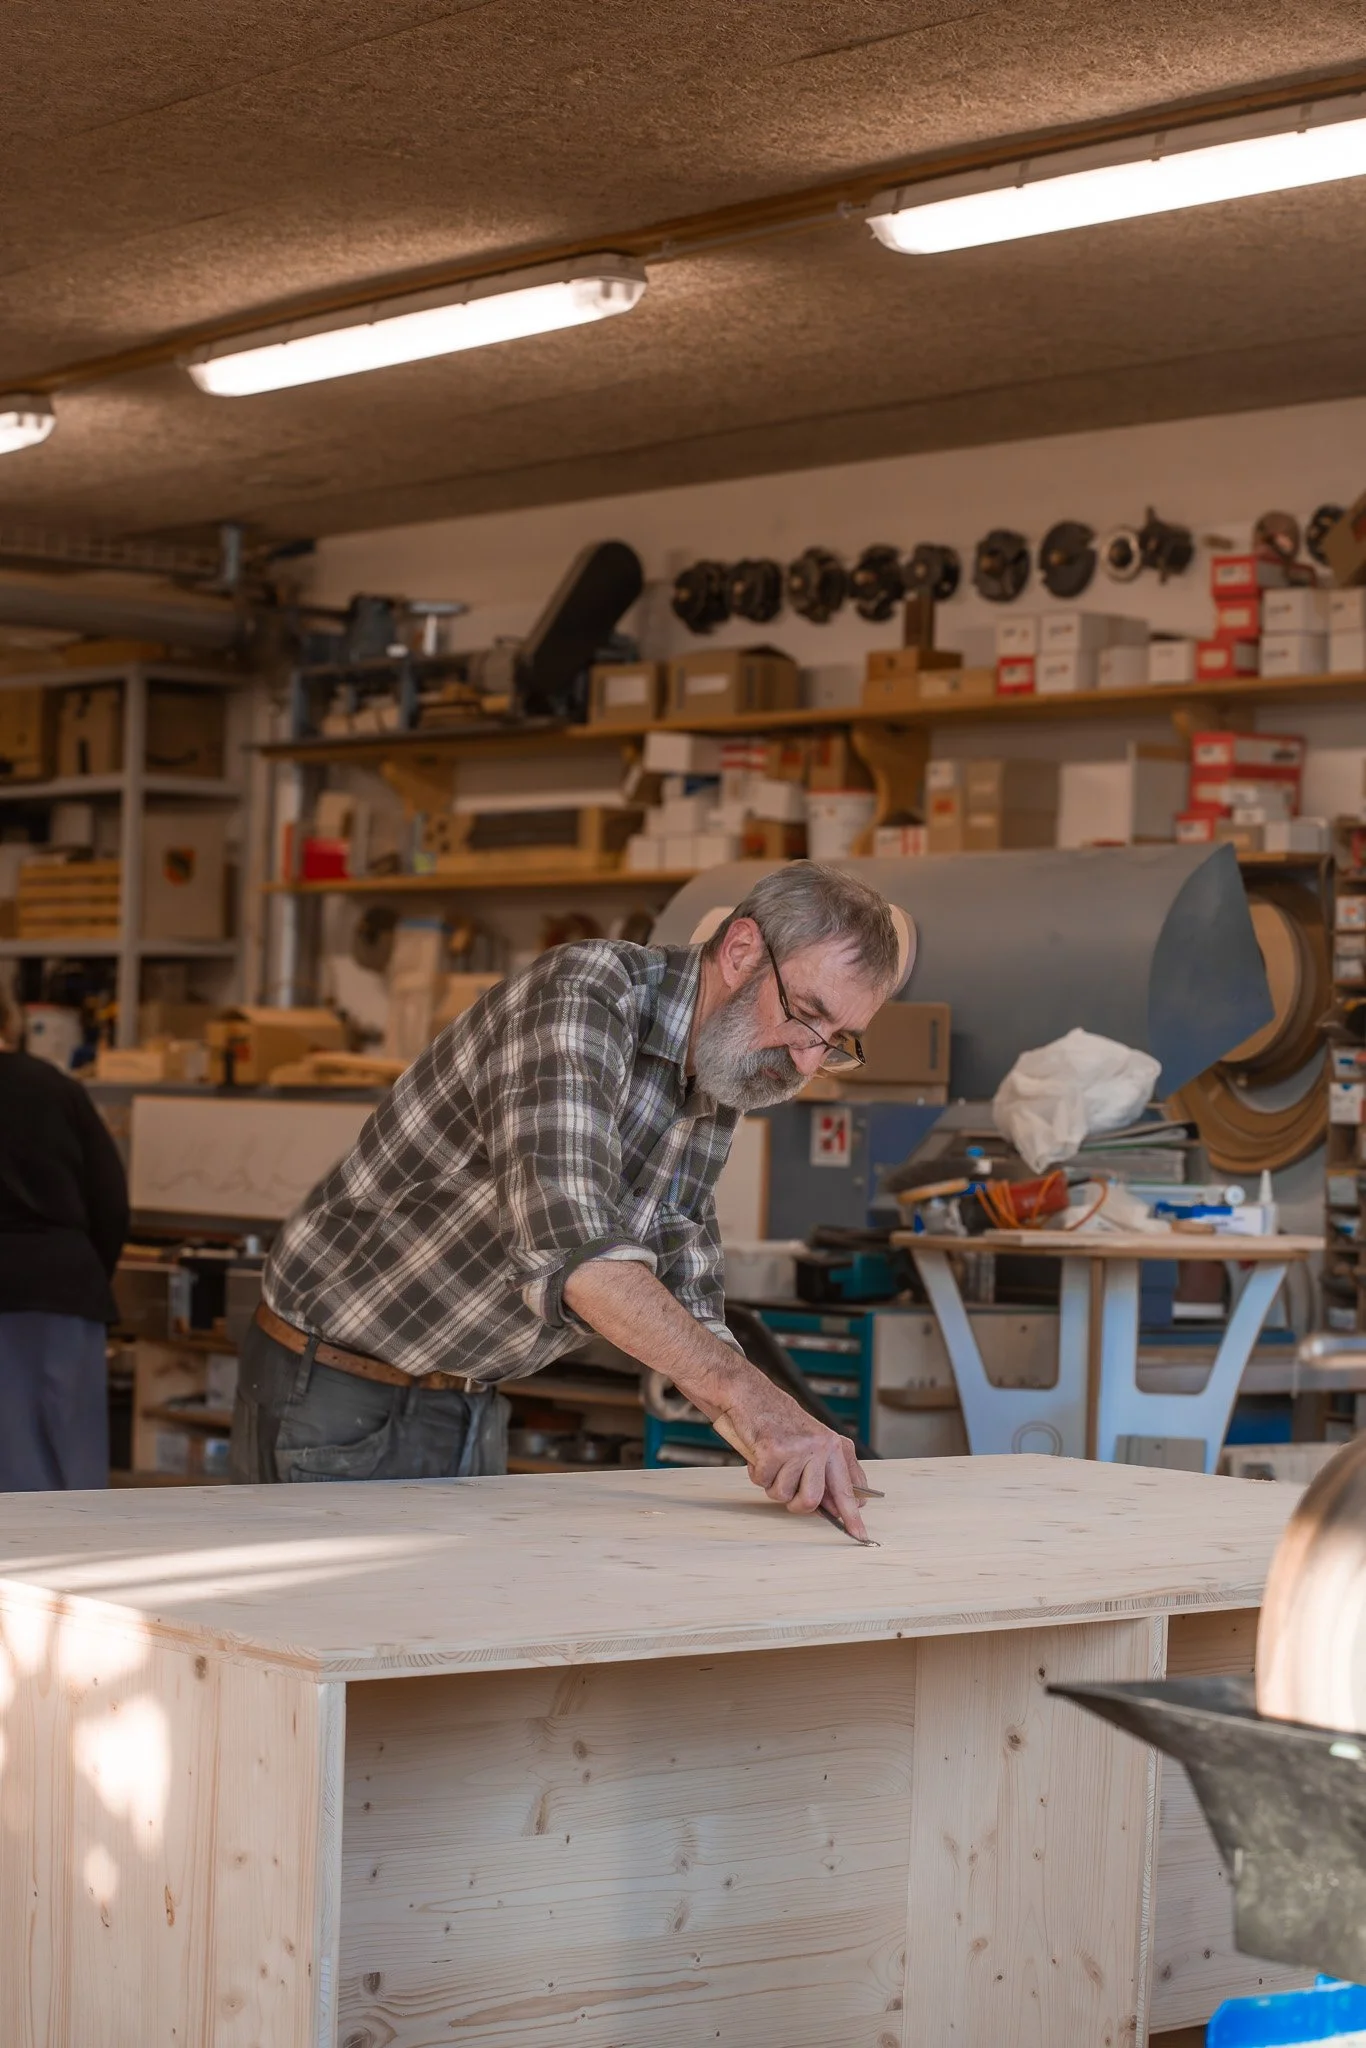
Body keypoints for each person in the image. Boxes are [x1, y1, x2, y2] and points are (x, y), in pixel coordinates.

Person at [232, 862, 906, 1537]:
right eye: (806, 1015)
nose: (807, 1062)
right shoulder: (582, 996)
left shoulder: (720, 1074)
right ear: (740, 952)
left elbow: (687, 1281)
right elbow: (575, 1254)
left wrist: (780, 1441)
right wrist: (753, 1401)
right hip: (335, 1386)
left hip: (468, 1395)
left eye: (837, 1042)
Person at [0, 985, 129, 1489]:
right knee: (73, 1469)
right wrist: (88, 1277)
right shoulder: (60, 1088)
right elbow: (111, 1204)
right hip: (67, 1288)